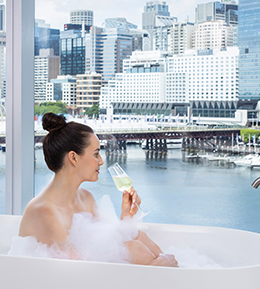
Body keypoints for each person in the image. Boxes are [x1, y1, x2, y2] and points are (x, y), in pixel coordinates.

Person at [18, 112, 178, 267]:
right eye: (96, 154)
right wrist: (159, 264)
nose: (101, 161)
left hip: (90, 282)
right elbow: (82, 270)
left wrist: (126, 217)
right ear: (73, 158)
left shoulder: (86, 198)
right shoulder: (43, 212)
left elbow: (108, 246)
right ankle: (164, 273)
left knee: (139, 237)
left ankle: (165, 275)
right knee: (136, 249)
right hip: (58, 287)